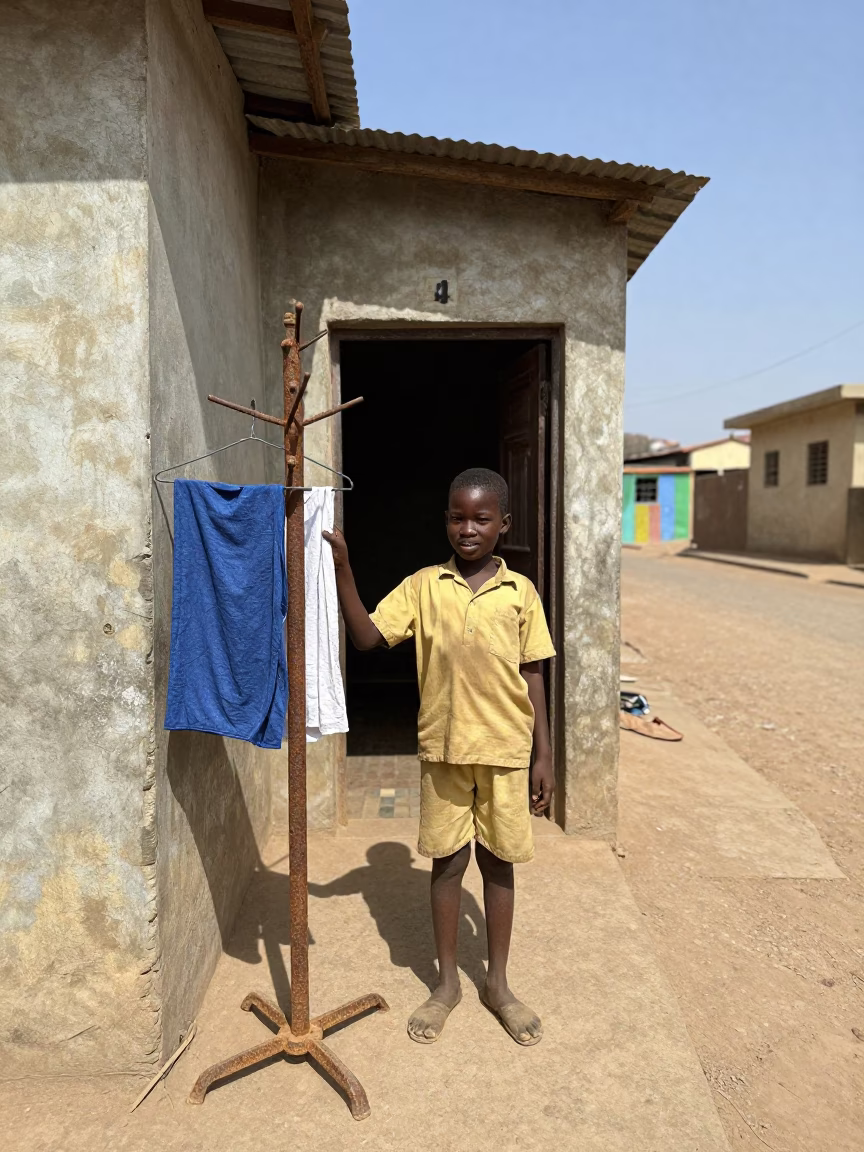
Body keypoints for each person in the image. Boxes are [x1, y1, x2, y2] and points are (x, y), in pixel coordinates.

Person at [323, 467, 555, 1046]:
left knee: (497, 863)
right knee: (448, 864)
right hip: (445, 748)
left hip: (506, 750)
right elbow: (368, 638)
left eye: (481, 518)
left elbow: (534, 676)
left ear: (503, 524)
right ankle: (447, 984)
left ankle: (497, 984)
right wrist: (343, 568)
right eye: (457, 517)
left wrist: (543, 755)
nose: (468, 528)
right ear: (445, 521)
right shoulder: (425, 585)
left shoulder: (520, 592)